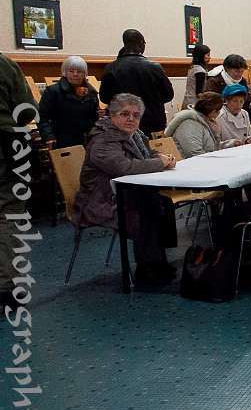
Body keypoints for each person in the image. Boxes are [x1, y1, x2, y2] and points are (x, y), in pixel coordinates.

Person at [75, 93, 178, 285]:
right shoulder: (102, 141)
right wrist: (159, 163)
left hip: (126, 192)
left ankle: (157, 260)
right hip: (100, 200)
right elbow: (124, 168)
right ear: (112, 115)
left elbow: (147, 154)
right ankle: (146, 266)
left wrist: (161, 156)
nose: (131, 119)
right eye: (124, 114)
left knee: (162, 201)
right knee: (146, 206)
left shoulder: (135, 135)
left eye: (136, 115)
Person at [1, 52, 36, 309]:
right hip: (5, 145)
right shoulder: (5, 64)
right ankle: (7, 287)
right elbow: (26, 109)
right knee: (8, 213)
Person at [99, 29, 174, 136]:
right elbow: (169, 95)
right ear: (141, 43)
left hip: (124, 124)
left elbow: (104, 98)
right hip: (153, 123)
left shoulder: (111, 68)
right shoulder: (154, 67)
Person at [38, 55, 99, 148]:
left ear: (85, 74)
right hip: (60, 139)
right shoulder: (53, 91)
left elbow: (94, 117)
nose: (75, 74)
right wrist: (48, 137)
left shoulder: (91, 92)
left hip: (86, 140)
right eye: (71, 71)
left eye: (79, 71)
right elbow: (42, 116)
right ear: (65, 72)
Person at [165, 92, 230, 158]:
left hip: (202, 160)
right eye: (219, 111)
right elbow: (193, 153)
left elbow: (213, 147)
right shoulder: (190, 124)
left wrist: (230, 143)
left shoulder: (206, 120)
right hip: (189, 162)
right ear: (213, 112)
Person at [205, 53, 251, 123]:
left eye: (242, 71)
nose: (239, 74)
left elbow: (246, 104)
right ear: (227, 69)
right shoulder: (214, 82)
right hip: (219, 118)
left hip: (239, 117)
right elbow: (210, 105)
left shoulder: (242, 82)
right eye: (236, 71)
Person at [182, 43, 211, 109]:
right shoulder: (200, 71)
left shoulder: (193, 67)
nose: (210, 57)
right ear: (201, 56)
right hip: (194, 104)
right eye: (208, 55)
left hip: (187, 101)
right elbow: (199, 93)